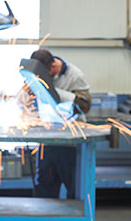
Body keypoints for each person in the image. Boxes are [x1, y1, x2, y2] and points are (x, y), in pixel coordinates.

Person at [30, 48, 91, 199]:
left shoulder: (74, 75)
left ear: (52, 67)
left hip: (70, 140)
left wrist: (54, 93)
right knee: (45, 185)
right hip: (48, 138)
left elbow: (85, 106)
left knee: (74, 187)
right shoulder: (39, 71)